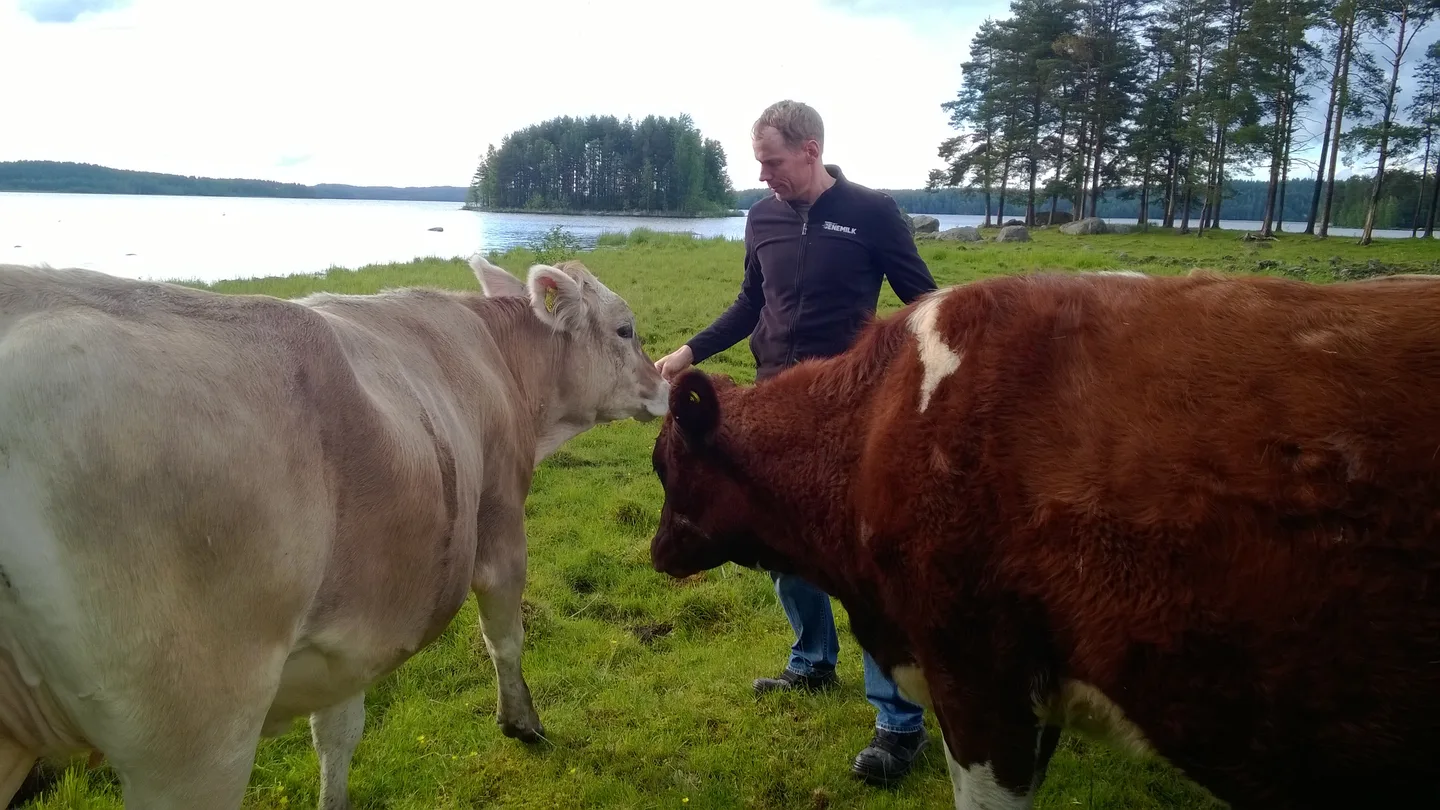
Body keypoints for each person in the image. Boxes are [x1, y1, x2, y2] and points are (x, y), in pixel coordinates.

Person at [654, 99, 938, 787]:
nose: (764, 174)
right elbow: (752, 303)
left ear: (811, 151)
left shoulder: (871, 212)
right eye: (759, 161)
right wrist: (690, 350)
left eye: (773, 161)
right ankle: (812, 661)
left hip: (852, 421)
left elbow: (924, 303)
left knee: (866, 566)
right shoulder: (762, 218)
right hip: (773, 412)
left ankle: (899, 724)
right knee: (778, 545)